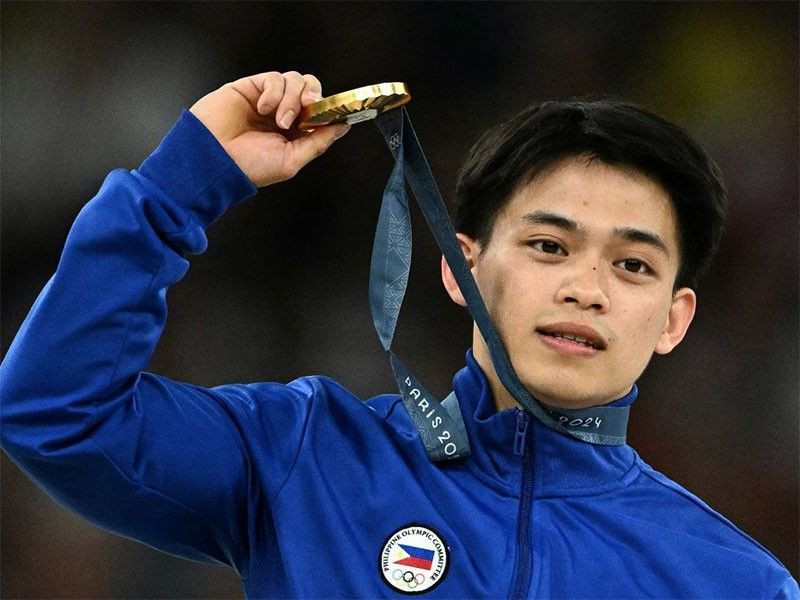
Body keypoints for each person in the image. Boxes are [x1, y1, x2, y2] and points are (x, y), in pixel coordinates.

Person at [0, 71, 796, 599]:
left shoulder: (736, 584)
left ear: (673, 319)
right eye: (549, 246)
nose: (585, 289)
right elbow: (55, 410)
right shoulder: (306, 457)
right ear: (461, 269)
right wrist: (181, 182)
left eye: (632, 265)